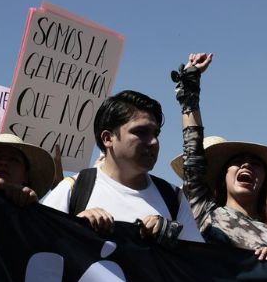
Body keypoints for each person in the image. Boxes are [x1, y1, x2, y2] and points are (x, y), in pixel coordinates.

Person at [172, 53, 267, 259]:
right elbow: (193, 151)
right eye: (237, 161)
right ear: (223, 176)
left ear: (264, 180)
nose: (246, 165)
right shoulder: (203, 211)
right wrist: (190, 86)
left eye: (256, 164)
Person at [43, 89, 202, 244]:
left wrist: (172, 239)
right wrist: (75, 228)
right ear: (108, 138)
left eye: (155, 133)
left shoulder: (173, 198)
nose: (153, 142)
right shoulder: (73, 189)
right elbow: (40, 247)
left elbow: (198, 258)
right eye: (141, 132)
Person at [0, 133, 62, 201]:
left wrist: (33, 212)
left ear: (26, 176)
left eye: (14, 159)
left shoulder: (37, 219)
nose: (3, 162)